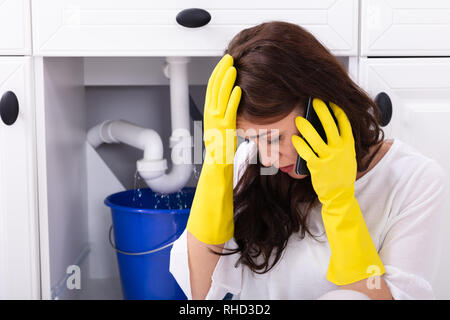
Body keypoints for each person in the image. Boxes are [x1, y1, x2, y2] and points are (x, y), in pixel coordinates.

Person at [169, 21, 448, 300]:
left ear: (320, 113)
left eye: (274, 138)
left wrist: (340, 204)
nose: (268, 158)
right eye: (252, 139)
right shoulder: (254, 163)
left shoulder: (416, 180)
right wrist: (217, 165)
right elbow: (201, 293)